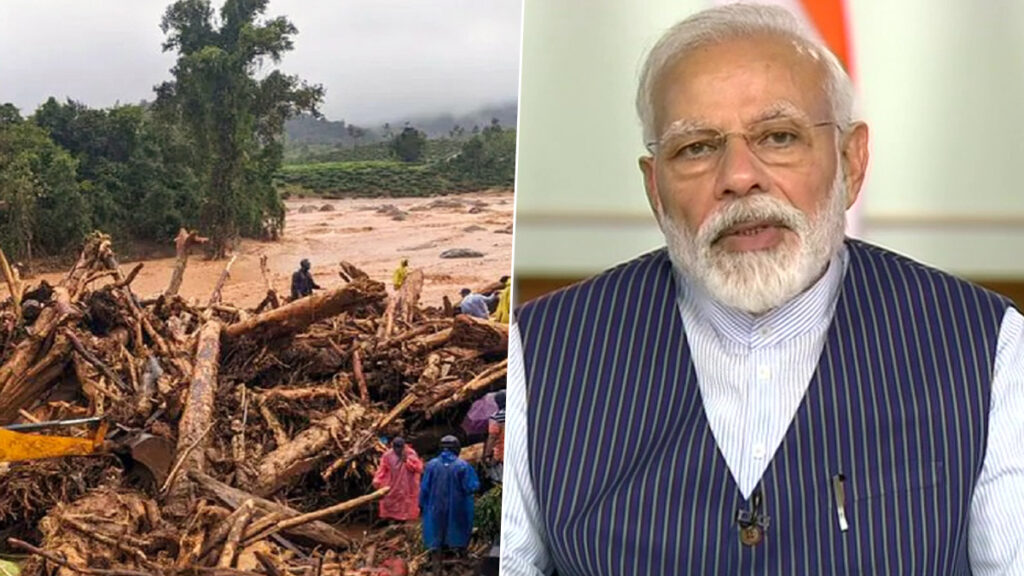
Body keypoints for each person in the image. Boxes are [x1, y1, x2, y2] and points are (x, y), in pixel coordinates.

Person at [501, 4, 1024, 576]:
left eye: (778, 137)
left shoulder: (988, 345)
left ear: (851, 160)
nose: (739, 177)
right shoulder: (539, 351)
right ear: (655, 189)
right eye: (696, 147)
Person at [420, 435, 480, 573]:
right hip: (458, 509)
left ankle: (436, 564)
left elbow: (424, 488)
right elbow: (472, 486)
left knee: (435, 534)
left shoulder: (431, 465)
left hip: (435, 509)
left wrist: (422, 504)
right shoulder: (463, 466)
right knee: (457, 533)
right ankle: (459, 560)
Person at [371, 437, 424, 522]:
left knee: (407, 504)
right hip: (393, 484)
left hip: (408, 485)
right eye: (396, 447)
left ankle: (405, 522)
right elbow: (382, 469)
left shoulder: (410, 453)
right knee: (391, 504)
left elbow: (419, 468)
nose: (397, 450)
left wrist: (407, 461)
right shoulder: (387, 456)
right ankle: (392, 521)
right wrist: (377, 480)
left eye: (400, 447)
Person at [481, 390, 505, 484]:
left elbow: (492, 437)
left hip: (501, 453)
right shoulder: (517, 414)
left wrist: (487, 455)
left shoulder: (496, 418)